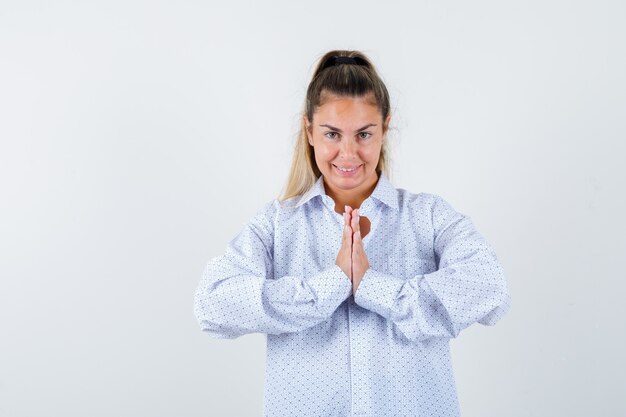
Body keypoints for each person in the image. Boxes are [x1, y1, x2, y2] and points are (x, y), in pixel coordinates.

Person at [194, 50, 511, 417]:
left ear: (384, 129)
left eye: (363, 134)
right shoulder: (277, 225)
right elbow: (212, 305)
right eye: (332, 134)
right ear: (309, 131)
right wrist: (331, 285)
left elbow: (491, 290)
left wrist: (372, 286)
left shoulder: (429, 217)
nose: (348, 153)